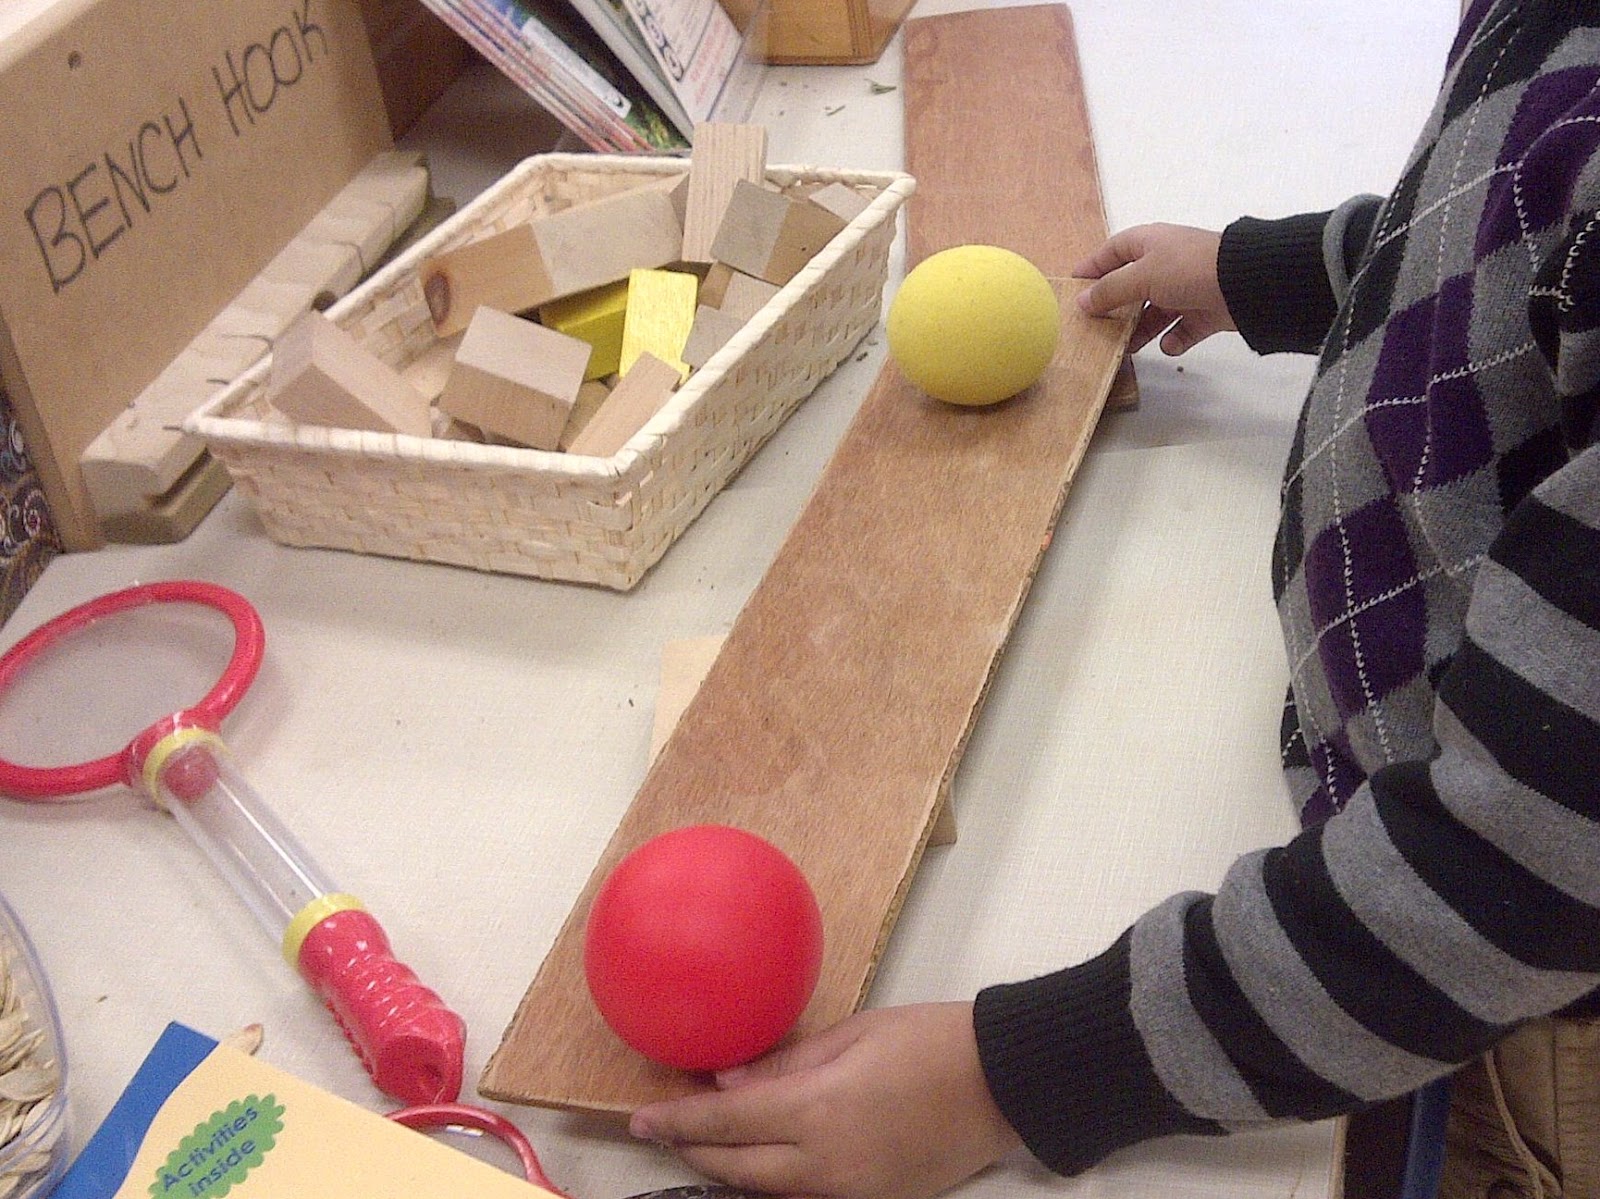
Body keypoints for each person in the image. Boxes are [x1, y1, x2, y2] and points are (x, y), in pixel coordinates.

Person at [628, 4, 1600, 1197]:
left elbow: (1516, 877)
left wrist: (1007, 1077)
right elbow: (1502, 209)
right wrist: (1278, 272)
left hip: (1493, 984)